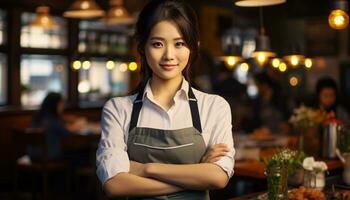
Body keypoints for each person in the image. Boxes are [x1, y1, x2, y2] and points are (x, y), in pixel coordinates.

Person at [96, 0, 235, 199]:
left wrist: (146, 169)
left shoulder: (215, 107)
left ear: (193, 47)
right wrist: (197, 174)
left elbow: (218, 178)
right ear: (142, 47)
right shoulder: (118, 109)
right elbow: (114, 185)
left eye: (179, 43)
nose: (169, 55)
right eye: (157, 44)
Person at [30, 92, 85, 161]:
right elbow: (67, 133)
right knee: (82, 155)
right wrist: (79, 126)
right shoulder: (53, 120)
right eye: (61, 104)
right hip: (49, 157)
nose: (63, 107)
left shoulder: (38, 117)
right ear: (55, 105)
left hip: (33, 156)